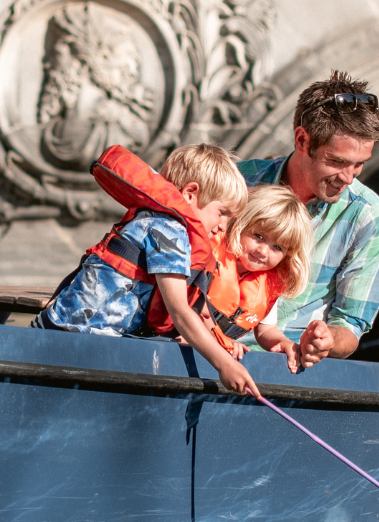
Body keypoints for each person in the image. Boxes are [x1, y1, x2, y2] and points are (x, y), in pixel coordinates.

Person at [34, 143, 261, 397]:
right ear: (190, 194)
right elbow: (179, 311)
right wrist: (224, 364)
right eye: (222, 213)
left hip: (59, 332)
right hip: (75, 344)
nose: (222, 227)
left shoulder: (153, 218)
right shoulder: (170, 231)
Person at [237, 71, 379, 366]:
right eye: (337, 162)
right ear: (302, 140)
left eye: (359, 165)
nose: (348, 178)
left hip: (283, 367)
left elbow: (350, 324)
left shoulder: (371, 219)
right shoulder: (236, 182)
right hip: (200, 349)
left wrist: (327, 340)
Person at [212, 184, 315, 370]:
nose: (263, 251)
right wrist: (221, 341)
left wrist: (282, 342)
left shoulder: (267, 283)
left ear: (287, 255)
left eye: (277, 247)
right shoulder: (208, 258)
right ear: (240, 223)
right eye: (258, 236)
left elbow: (266, 330)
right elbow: (186, 308)